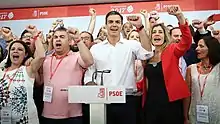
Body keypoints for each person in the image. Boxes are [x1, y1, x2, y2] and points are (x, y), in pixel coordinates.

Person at [84, 10, 153, 124]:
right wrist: (89, 83)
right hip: (102, 101)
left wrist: (140, 28)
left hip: (127, 100)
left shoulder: (131, 45)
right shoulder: (96, 48)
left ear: (121, 25)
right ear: (106, 25)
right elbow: (90, 72)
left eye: (117, 22)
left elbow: (147, 53)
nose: (114, 25)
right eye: (110, 22)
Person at [142, 5, 192, 124]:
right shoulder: (148, 56)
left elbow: (186, 41)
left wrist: (179, 16)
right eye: (154, 32)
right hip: (151, 105)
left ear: (165, 36)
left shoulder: (172, 50)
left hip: (170, 104)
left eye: (160, 32)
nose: (157, 34)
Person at [41, 26, 93, 124]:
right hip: (48, 115)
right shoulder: (46, 59)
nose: (58, 39)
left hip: (73, 116)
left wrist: (78, 39)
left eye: (61, 37)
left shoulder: (77, 56)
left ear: (70, 41)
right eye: (55, 37)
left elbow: (89, 61)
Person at [0, 32, 45, 124]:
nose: (15, 51)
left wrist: (35, 36)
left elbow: (41, 56)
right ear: (9, 53)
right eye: (13, 49)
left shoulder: (28, 70)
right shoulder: (1, 71)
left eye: (20, 49)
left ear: (25, 54)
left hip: (26, 120)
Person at [185, 36, 220, 124]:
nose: (197, 49)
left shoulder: (218, 67)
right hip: (195, 114)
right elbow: (187, 95)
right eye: (197, 46)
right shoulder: (191, 68)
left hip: (216, 115)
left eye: (201, 46)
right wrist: (185, 117)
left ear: (211, 48)